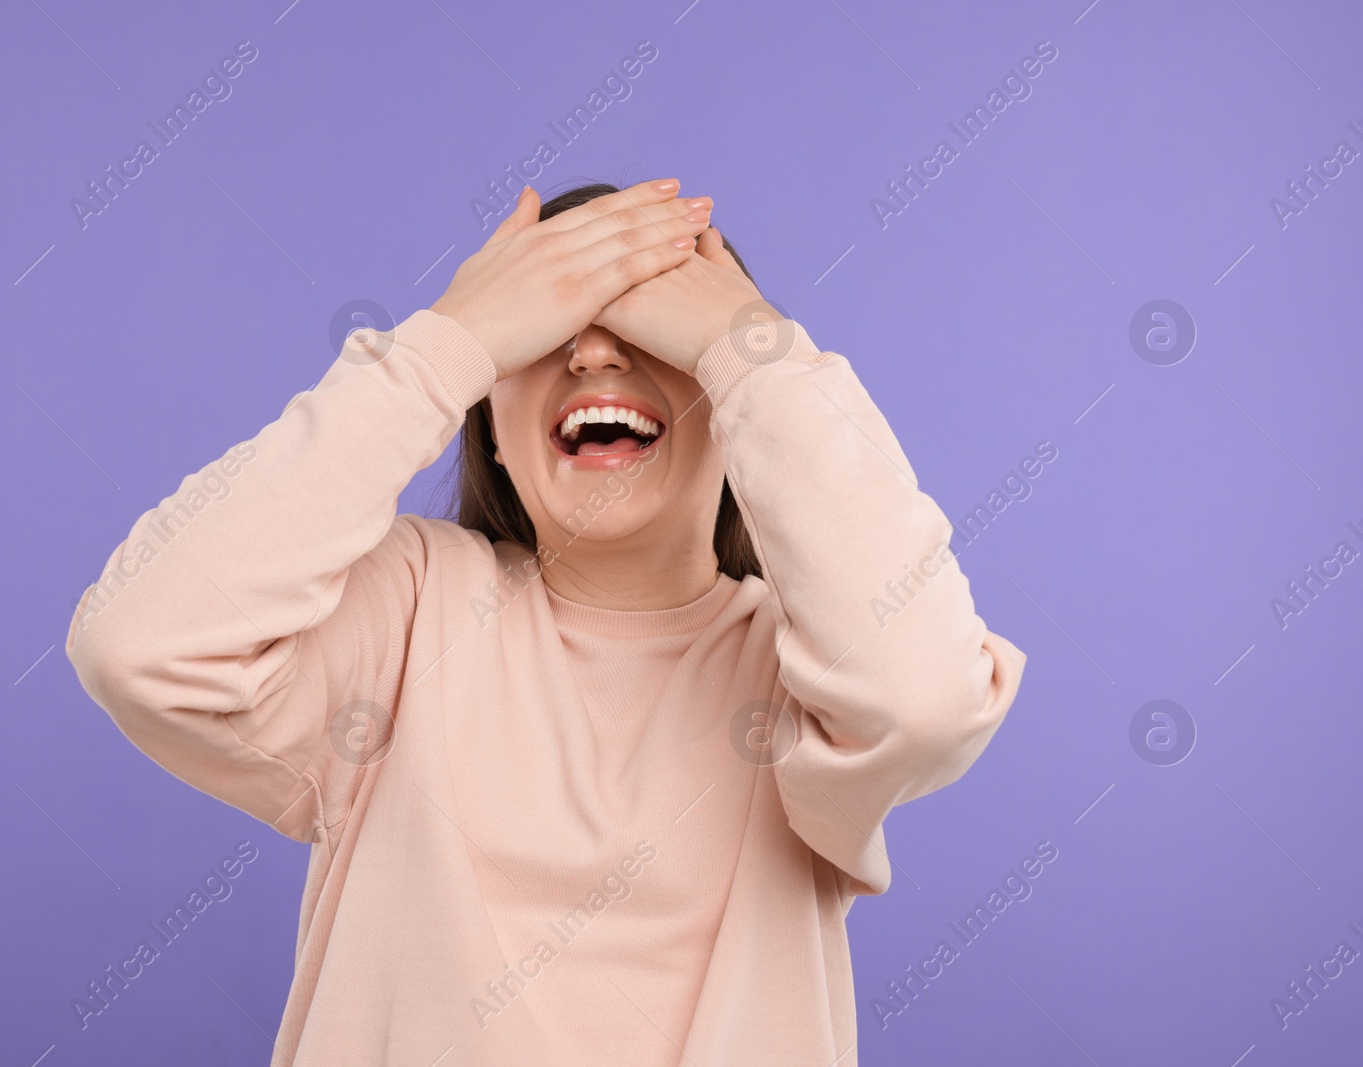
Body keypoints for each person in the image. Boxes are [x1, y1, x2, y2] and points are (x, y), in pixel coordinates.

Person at [66, 176, 1027, 1066]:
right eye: (554, 322)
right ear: (485, 413)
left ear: (730, 405)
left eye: (649, 320)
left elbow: (922, 700)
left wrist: (756, 351)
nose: (595, 350)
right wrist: (446, 346)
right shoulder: (407, 610)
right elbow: (140, 643)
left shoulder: (804, 675)